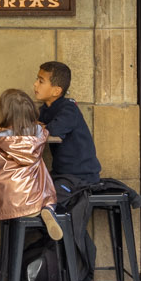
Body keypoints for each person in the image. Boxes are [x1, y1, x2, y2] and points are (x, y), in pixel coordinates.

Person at [0, 88, 64, 240]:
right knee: (49, 195)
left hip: (6, 203)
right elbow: (43, 130)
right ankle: (48, 209)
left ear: (4, 113)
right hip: (34, 199)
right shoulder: (39, 134)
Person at [33, 61, 101, 200]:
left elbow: (55, 129)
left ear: (56, 91)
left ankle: (55, 219)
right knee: (32, 188)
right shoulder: (45, 109)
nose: (35, 84)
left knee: (50, 197)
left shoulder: (68, 109)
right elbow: (31, 124)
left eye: (41, 81)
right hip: (61, 173)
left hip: (81, 176)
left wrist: (42, 126)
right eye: (37, 79)